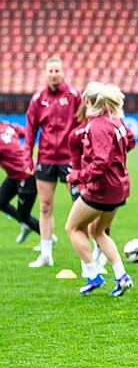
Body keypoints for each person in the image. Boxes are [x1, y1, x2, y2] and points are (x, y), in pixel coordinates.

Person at [65, 82, 134, 296]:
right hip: (120, 186)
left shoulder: (97, 126)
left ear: (87, 101)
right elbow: (130, 141)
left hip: (102, 189)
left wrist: (76, 176)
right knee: (98, 231)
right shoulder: (116, 121)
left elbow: (101, 162)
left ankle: (93, 274)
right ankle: (122, 276)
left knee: (73, 227)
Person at [24, 56, 81, 267]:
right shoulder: (38, 99)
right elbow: (30, 130)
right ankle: (46, 254)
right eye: (51, 71)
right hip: (46, 158)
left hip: (69, 159)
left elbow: (82, 125)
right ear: (45, 73)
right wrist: (27, 156)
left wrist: (82, 156)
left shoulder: (74, 96)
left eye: (57, 71)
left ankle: (89, 255)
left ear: (62, 72)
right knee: (45, 206)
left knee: (80, 204)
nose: (54, 75)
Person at [0, 120, 40, 241]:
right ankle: (25, 224)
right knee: (1, 202)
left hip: (27, 175)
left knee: (24, 215)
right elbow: (27, 132)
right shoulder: (7, 126)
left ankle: (47, 238)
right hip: (15, 175)